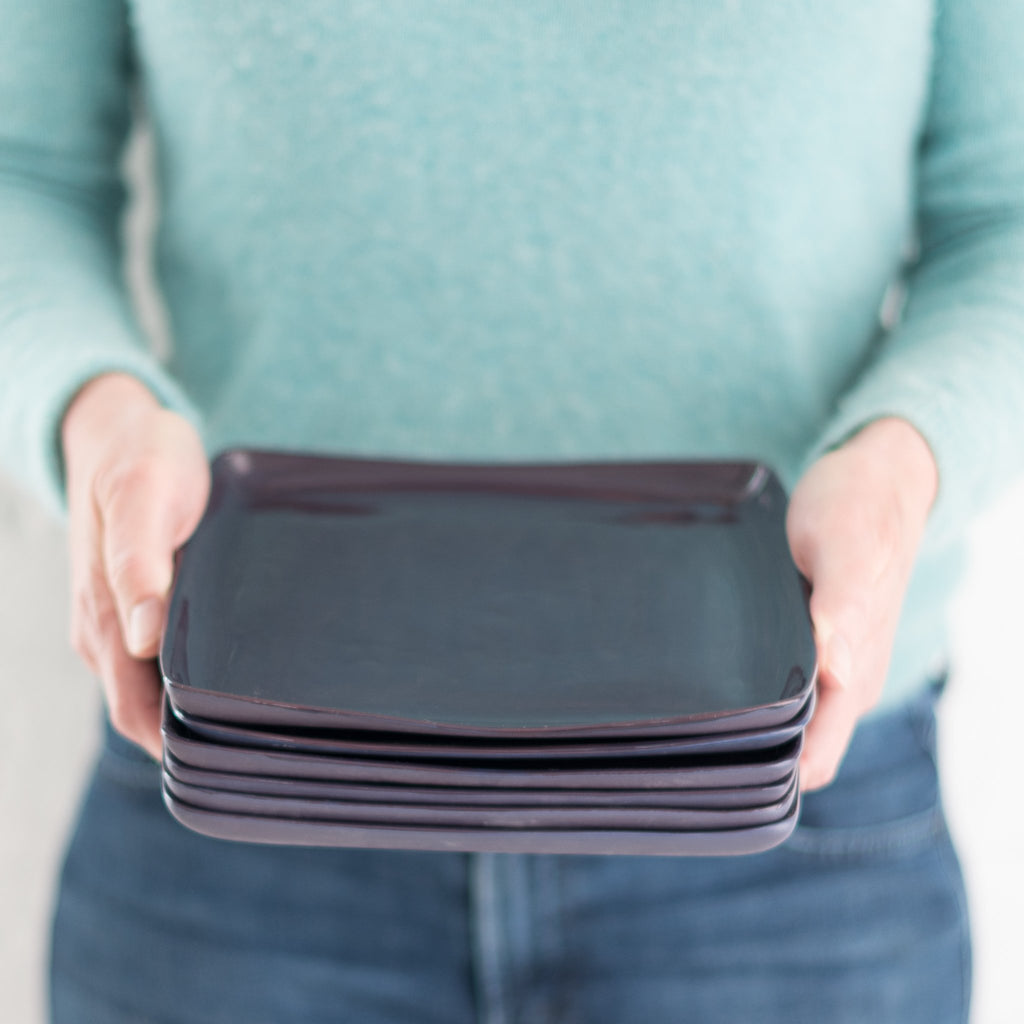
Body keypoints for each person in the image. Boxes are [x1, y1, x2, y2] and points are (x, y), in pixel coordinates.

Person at [2, 2, 1021, 1021]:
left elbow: (1001, 215)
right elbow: (25, 173)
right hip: (240, 789)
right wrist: (93, 413)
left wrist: (904, 463)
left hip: (781, 812)